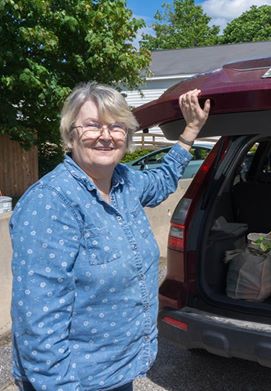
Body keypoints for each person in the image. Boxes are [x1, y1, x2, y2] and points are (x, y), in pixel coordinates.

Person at [9, 82, 210, 390]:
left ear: (127, 136)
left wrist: (190, 133)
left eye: (116, 127)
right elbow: (39, 324)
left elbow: (163, 179)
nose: (106, 135)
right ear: (70, 134)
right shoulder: (51, 202)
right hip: (75, 380)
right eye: (92, 126)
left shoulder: (126, 183)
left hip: (117, 373)